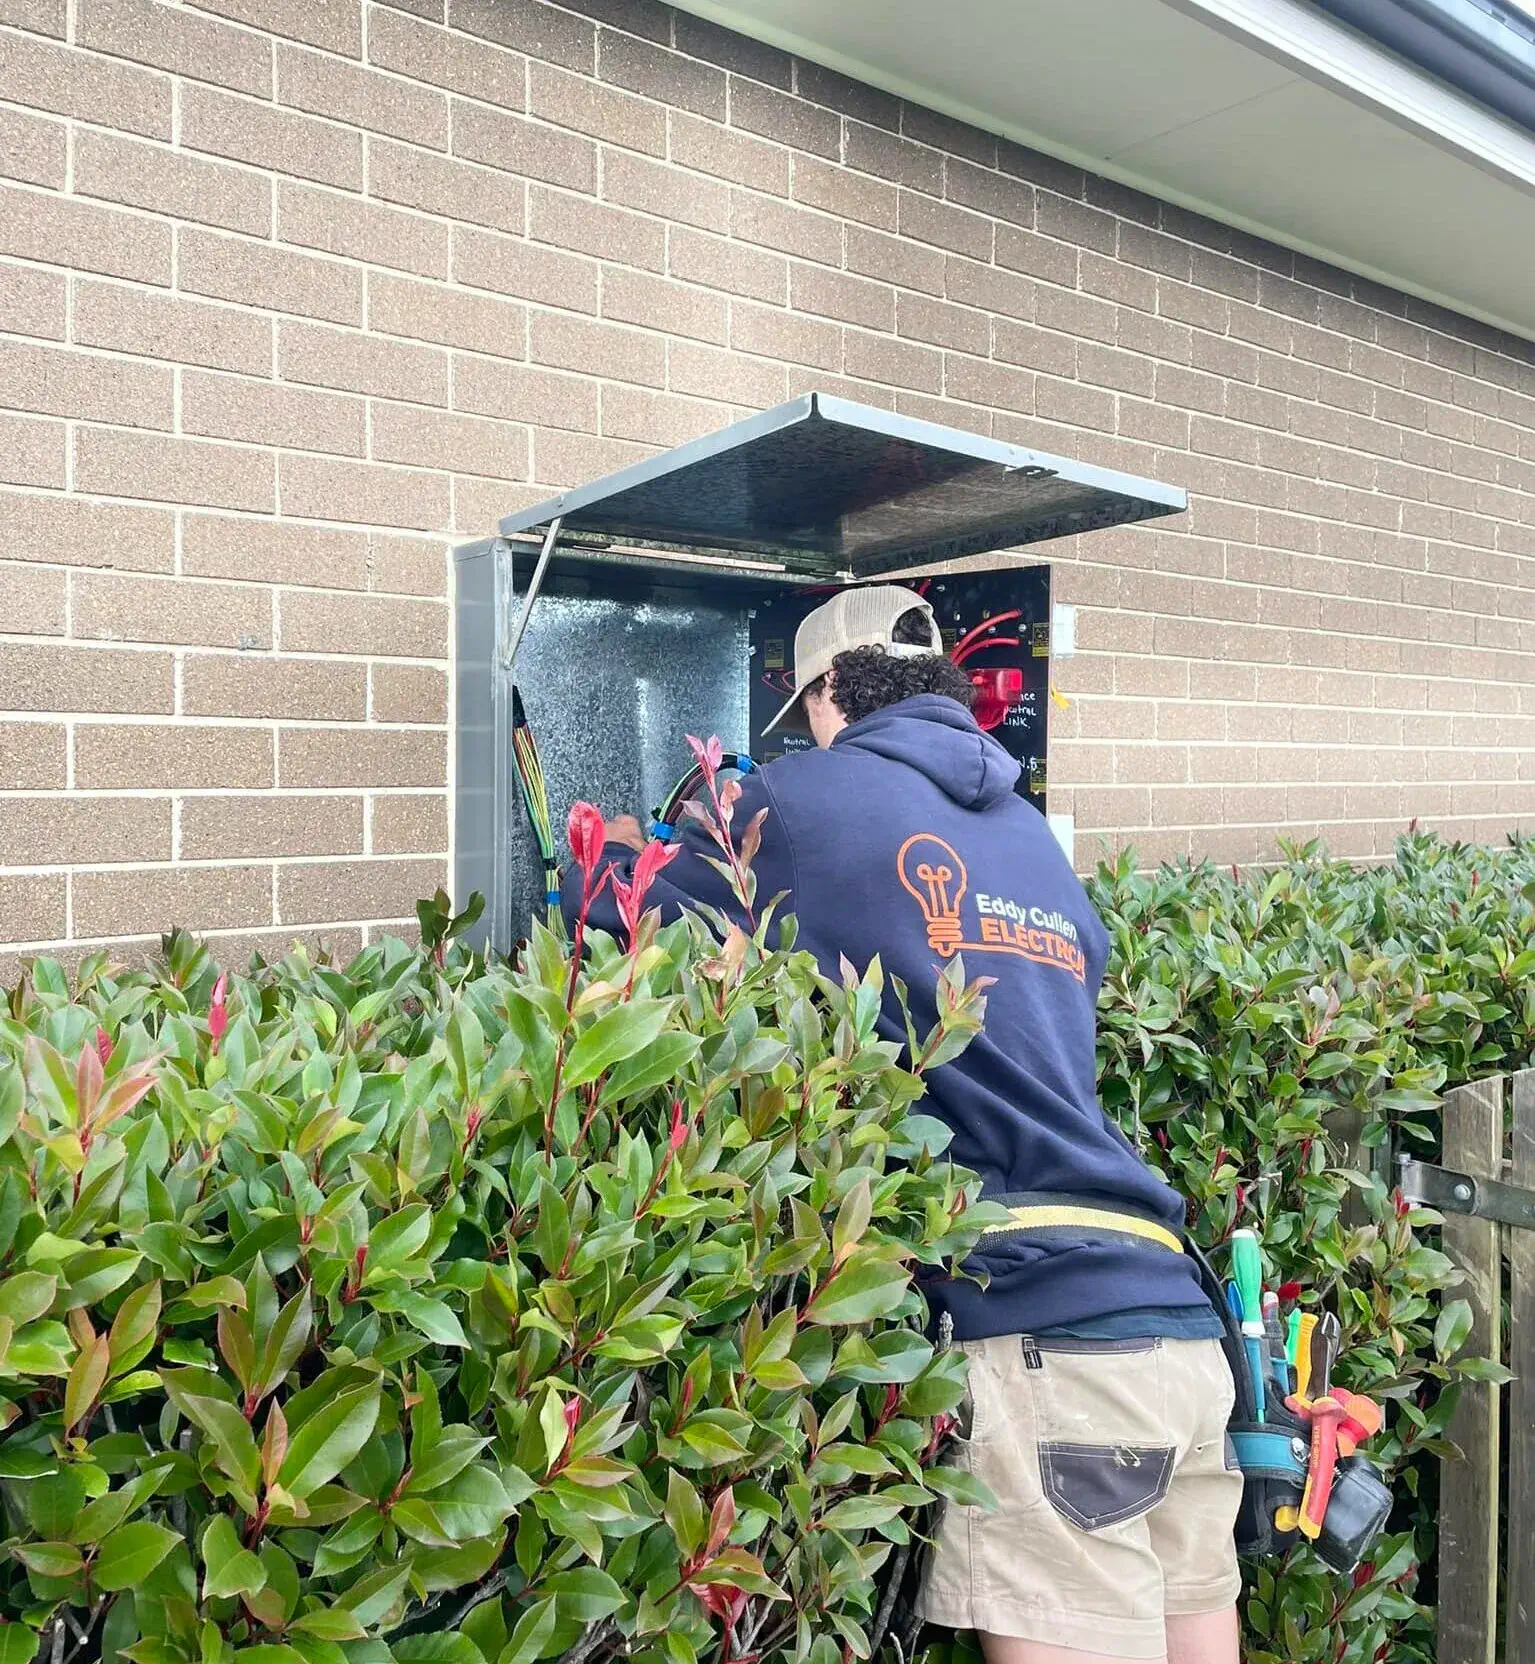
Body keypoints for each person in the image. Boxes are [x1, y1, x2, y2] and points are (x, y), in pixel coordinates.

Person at [563, 585, 1241, 1664]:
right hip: (1172, 1316)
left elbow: (602, 891)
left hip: (1041, 1330)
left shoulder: (811, 796)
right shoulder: (1027, 832)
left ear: (827, 692)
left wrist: (661, 822)